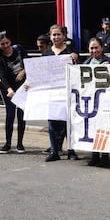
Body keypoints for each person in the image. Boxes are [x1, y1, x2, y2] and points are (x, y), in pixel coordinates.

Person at [43, 24, 80, 162]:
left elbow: (78, 72)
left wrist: (75, 59)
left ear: (64, 36)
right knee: (52, 122)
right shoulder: (46, 53)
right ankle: (54, 151)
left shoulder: (71, 52)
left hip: (68, 92)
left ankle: (71, 150)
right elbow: (41, 73)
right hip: (52, 92)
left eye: (59, 34)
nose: (56, 37)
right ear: (50, 36)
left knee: (69, 123)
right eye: (54, 35)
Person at [0, 31, 27, 154]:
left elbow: (29, 63)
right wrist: (9, 89)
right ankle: (8, 143)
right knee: (10, 115)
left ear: (10, 42)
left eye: (7, 43)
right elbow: (2, 77)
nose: (6, 46)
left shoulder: (19, 50)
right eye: (3, 44)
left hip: (23, 87)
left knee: (21, 116)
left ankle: (20, 143)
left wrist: (23, 72)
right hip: (10, 89)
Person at [84, 37, 110, 167]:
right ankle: (95, 155)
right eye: (92, 48)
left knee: (104, 128)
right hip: (91, 101)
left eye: (96, 47)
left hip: (106, 101)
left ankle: (105, 156)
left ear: (102, 48)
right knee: (93, 128)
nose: (94, 50)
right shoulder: (85, 64)